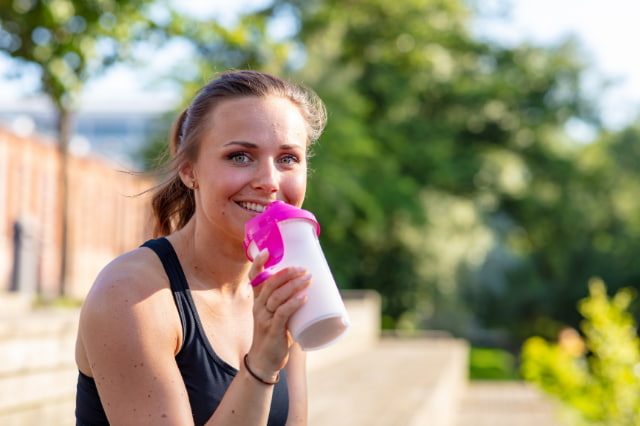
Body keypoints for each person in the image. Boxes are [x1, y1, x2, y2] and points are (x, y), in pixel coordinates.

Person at [75, 70, 328, 426]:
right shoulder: (130, 294)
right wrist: (261, 366)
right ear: (190, 170)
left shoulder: (284, 280)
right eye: (240, 156)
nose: (270, 182)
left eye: (288, 158)